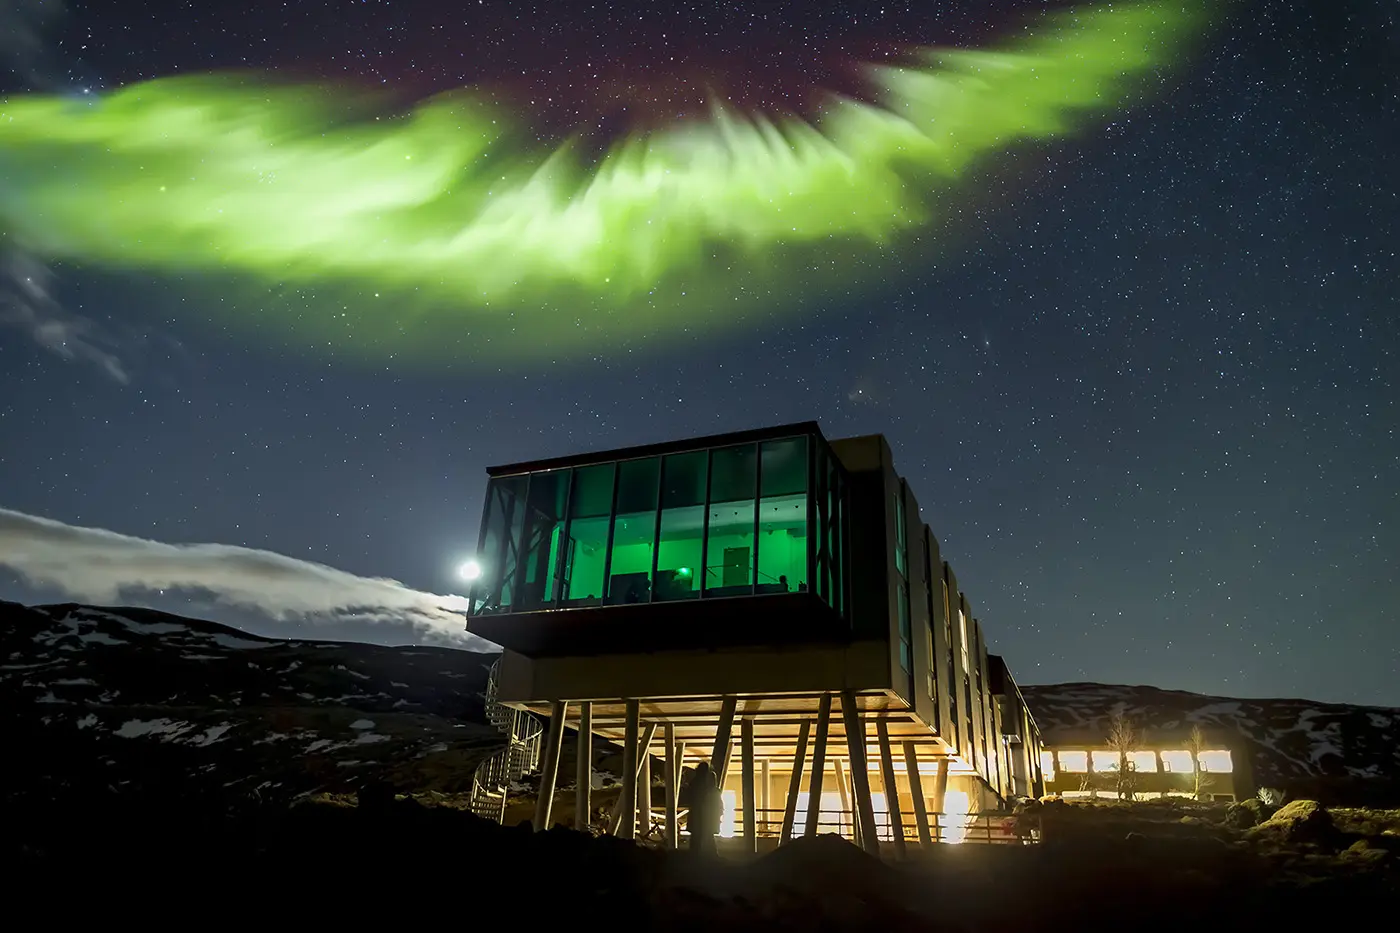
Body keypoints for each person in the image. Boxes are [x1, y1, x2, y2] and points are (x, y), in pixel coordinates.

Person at [682, 761, 723, 857]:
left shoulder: (695, 783)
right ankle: (712, 855)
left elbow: (689, 797)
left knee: (696, 837)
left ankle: (695, 855)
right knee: (708, 836)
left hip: (697, 815)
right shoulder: (709, 783)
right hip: (706, 815)